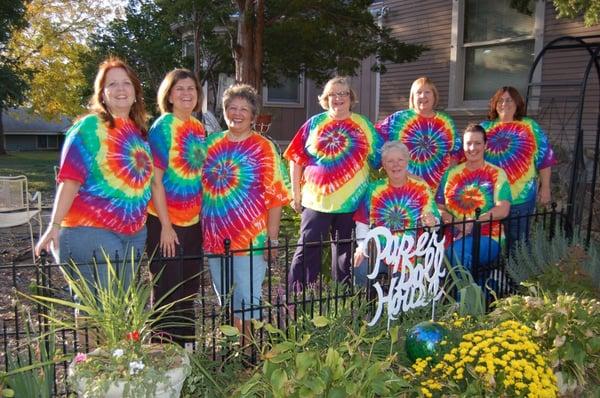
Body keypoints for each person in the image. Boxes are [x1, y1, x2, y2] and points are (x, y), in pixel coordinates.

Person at [35, 57, 152, 291]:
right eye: (112, 84)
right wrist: (54, 224)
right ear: (102, 94)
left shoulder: (138, 133)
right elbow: (69, 180)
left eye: (126, 83)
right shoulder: (89, 128)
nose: (121, 89)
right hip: (90, 229)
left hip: (133, 234)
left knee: (119, 308)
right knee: (100, 307)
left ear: (136, 91)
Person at [202, 84, 290, 334]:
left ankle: (248, 352)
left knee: (247, 300)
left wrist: (271, 241)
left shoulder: (263, 148)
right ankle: (232, 346)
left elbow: (276, 197)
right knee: (226, 298)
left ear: (253, 116)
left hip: (250, 239)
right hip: (216, 237)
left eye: (244, 109)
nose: (237, 113)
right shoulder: (210, 144)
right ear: (224, 111)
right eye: (232, 108)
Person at [284, 76, 382, 288]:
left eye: (343, 93)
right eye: (332, 94)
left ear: (351, 98)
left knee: (345, 255)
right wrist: (296, 195)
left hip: (352, 203)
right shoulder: (314, 124)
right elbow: (295, 158)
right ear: (325, 99)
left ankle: (343, 300)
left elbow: (379, 159)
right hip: (316, 201)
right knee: (308, 250)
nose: (338, 98)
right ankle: (298, 298)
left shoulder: (363, 124)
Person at [146, 69, 206, 345]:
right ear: (168, 95)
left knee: (189, 287)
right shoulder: (162, 127)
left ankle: (187, 349)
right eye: (179, 89)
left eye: (191, 88)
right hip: (164, 223)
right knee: (167, 290)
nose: (186, 93)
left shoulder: (197, 127)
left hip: (193, 223)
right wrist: (166, 227)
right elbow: (155, 181)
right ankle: (163, 353)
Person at [353, 141, 439, 287]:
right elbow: (362, 222)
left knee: (401, 294)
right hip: (378, 252)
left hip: (410, 254)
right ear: (384, 165)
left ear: (407, 161)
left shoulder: (420, 187)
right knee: (361, 268)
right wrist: (362, 247)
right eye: (390, 161)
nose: (396, 165)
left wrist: (432, 222)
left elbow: (434, 223)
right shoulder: (374, 189)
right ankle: (367, 306)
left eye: (400, 160)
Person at [481, 86, 556, 246]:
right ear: (494, 104)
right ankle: (495, 272)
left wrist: (546, 188)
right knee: (488, 245)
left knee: (518, 246)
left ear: (517, 103)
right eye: (500, 100)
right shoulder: (485, 128)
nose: (504, 103)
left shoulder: (529, 126)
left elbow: (544, 158)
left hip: (520, 198)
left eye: (509, 100)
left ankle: (515, 272)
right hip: (489, 199)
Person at [437, 124, 512, 273]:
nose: (472, 148)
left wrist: (474, 222)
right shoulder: (451, 174)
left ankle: (466, 295)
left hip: (487, 235)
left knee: (458, 255)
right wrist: (456, 222)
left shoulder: (497, 174)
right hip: (453, 234)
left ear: (485, 145)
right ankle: (478, 290)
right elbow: (438, 207)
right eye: (468, 143)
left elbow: (503, 209)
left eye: (477, 143)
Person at [376, 77, 461, 192]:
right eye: (419, 92)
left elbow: (456, 152)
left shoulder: (446, 122)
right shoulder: (399, 119)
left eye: (427, 92)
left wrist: (449, 179)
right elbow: (376, 140)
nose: (423, 96)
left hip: (438, 190)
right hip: (404, 187)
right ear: (412, 97)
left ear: (434, 96)